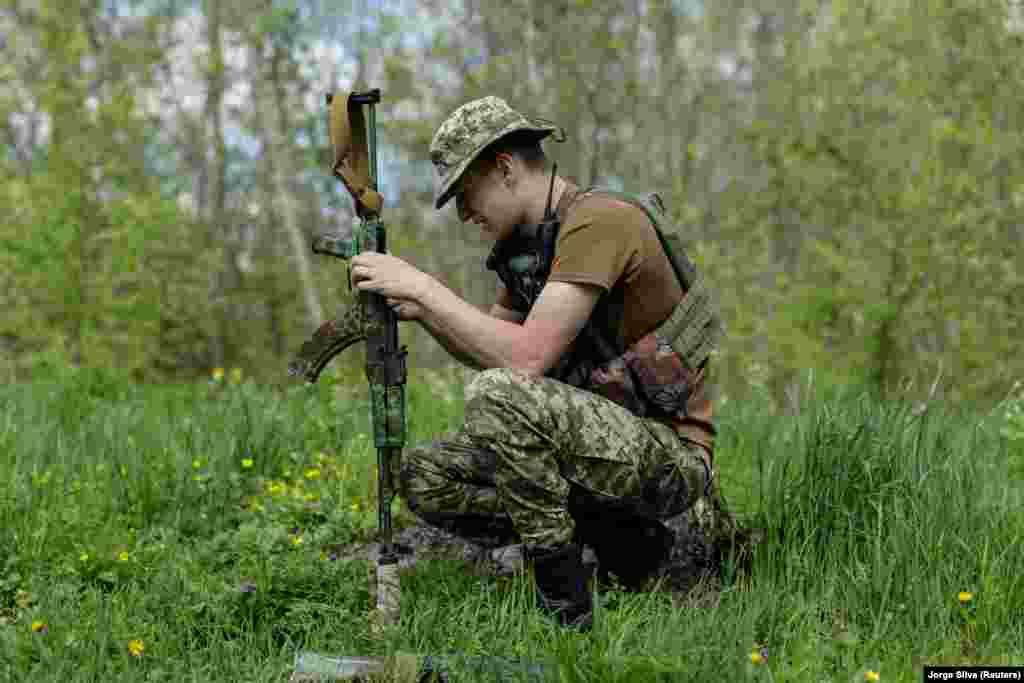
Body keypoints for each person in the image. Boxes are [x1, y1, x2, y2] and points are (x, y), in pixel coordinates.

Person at [349, 96, 727, 631]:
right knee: (425, 476)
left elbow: (524, 361)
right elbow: (492, 347)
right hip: (599, 451)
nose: (463, 214)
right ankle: (624, 546)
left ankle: (565, 606)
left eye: (465, 192)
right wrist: (425, 312)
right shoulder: (529, 247)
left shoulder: (599, 222)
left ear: (504, 168)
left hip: (668, 458)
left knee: (495, 396)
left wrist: (425, 287)